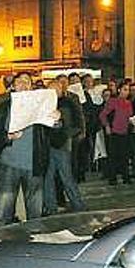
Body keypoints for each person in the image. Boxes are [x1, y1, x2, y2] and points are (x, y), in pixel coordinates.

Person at [0, 71, 57, 225]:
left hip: (34, 165)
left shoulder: (41, 106)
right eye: (19, 82)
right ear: (13, 86)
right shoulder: (4, 107)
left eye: (27, 82)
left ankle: (34, 242)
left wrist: (57, 120)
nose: (23, 85)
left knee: (35, 212)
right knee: (4, 210)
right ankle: (4, 242)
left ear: (31, 87)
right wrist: (7, 137)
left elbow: (58, 136)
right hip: (9, 165)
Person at [43, 81, 86, 215]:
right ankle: (51, 207)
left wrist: (68, 134)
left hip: (62, 144)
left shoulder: (68, 103)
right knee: (47, 178)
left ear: (62, 90)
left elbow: (77, 121)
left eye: (57, 89)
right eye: (51, 89)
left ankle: (77, 204)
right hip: (46, 145)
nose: (54, 92)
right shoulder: (43, 104)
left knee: (66, 176)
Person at [99, 82, 133, 185]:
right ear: (119, 90)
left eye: (128, 90)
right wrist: (107, 126)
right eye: (125, 89)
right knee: (113, 156)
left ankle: (125, 177)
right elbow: (103, 115)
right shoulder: (113, 101)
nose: (126, 92)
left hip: (125, 131)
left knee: (124, 156)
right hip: (114, 131)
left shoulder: (128, 103)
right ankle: (112, 178)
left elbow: (130, 117)